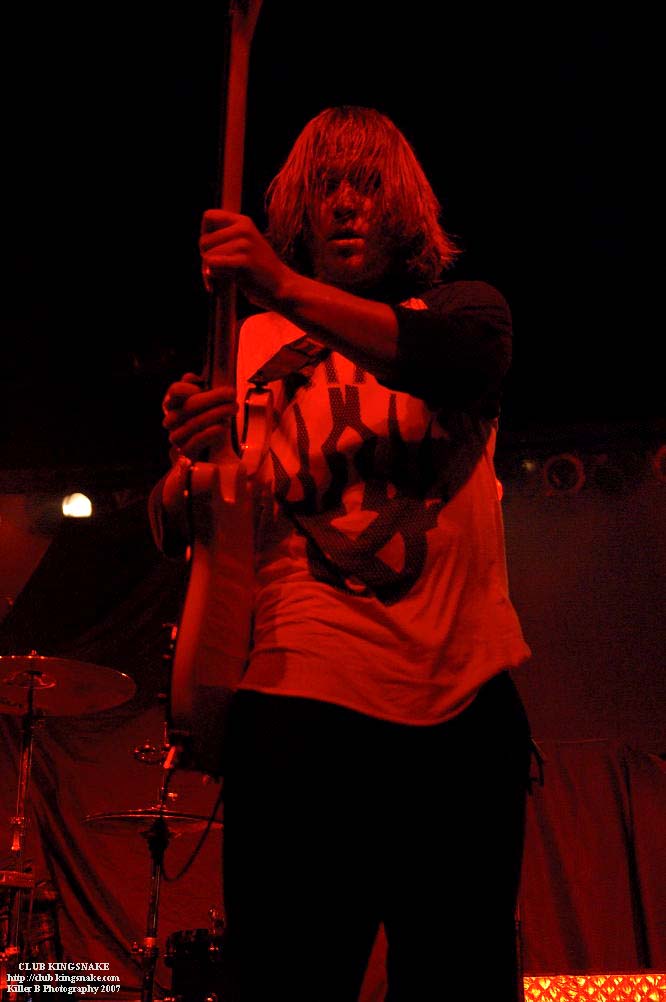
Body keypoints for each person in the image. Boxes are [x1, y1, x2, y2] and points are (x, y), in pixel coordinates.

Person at [150, 106, 533, 1002]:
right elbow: (179, 525)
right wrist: (188, 466)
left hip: (460, 709)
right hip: (300, 706)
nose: (347, 204)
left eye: (368, 185)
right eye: (327, 187)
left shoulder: (465, 311)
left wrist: (279, 285)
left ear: (403, 207)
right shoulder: (240, 348)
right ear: (301, 208)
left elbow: (456, 364)